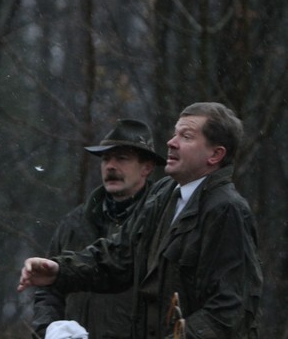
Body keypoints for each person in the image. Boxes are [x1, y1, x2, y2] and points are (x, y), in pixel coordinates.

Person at [18, 102, 262, 338]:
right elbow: (122, 256)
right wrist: (60, 270)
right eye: (174, 134)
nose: (171, 143)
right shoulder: (165, 193)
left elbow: (230, 308)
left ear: (215, 154)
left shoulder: (226, 210)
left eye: (186, 136)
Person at [32, 119, 165, 338]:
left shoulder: (161, 221)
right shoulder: (74, 223)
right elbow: (48, 290)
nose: (111, 166)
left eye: (122, 158)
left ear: (147, 168)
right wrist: (50, 329)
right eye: (105, 159)